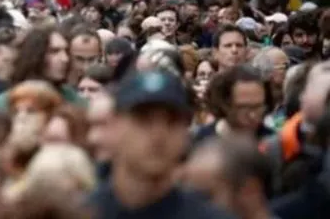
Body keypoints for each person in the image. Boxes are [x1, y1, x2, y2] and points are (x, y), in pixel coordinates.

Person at [89, 70, 234, 218]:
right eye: (144, 120)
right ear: (116, 125)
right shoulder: (79, 213)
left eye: (172, 121)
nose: (158, 135)